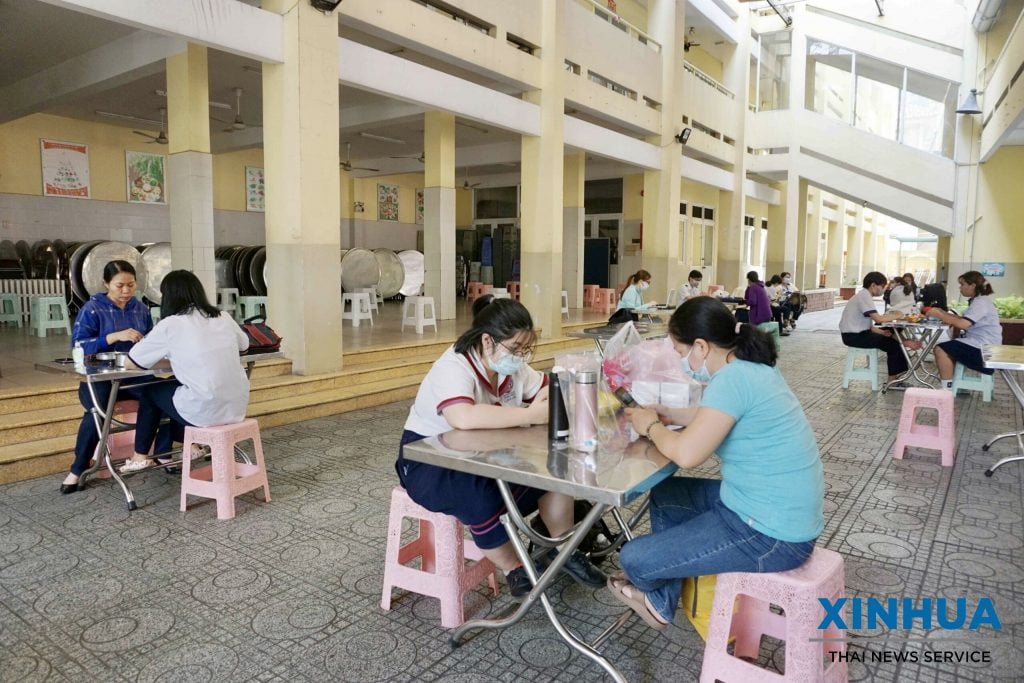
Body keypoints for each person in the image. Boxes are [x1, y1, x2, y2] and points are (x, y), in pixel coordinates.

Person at [608, 297, 823, 631]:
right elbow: (715, 415)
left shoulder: (732, 379)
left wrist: (650, 427)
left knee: (634, 559)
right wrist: (667, 414)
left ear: (701, 346)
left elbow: (687, 455)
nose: (682, 361)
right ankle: (661, 599)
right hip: (770, 510)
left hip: (770, 536)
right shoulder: (751, 369)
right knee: (668, 492)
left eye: (680, 352)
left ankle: (657, 589)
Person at [395, 295, 605, 598]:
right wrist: (529, 415)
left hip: (483, 455)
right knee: (479, 497)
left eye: (525, 349)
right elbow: (462, 416)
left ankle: (564, 549)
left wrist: (563, 388)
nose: (520, 356)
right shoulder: (454, 366)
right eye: (516, 348)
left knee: (554, 473)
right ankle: (515, 569)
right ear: (487, 340)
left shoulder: (511, 366)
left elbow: (547, 387)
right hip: (429, 461)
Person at [121, 270, 250, 472]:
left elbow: (131, 362)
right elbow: (244, 346)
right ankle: (185, 447)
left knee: (151, 390)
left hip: (206, 409)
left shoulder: (171, 324)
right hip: (237, 406)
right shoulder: (223, 317)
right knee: (173, 386)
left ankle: (140, 456)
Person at [60, 260, 153, 494]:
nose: (126, 291)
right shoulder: (92, 309)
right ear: (106, 284)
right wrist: (113, 337)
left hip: (132, 376)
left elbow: (152, 341)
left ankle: (155, 455)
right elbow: (79, 346)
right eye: (119, 285)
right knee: (96, 411)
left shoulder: (140, 309)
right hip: (99, 378)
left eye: (131, 285)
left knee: (160, 393)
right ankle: (78, 468)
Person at [926, 271, 1002, 390]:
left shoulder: (980, 302)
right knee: (950, 347)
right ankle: (956, 386)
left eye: (962, 284)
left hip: (984, 349)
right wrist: (943, 313)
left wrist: (940, 315)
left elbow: (964, 324)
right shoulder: (979, 300)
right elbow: (963, 319)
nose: (960, 287)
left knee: (940, 349)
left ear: (972, 285)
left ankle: (947, 389)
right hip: (982, 344)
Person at [839, 271, 912, 384]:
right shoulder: (864, 296)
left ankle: (906, 346)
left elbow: (868, 325)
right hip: (853, 337)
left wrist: (882, 332)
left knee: (890, 332)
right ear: (873, 285)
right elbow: (878, 319)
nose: (883, 289)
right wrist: (898, 315)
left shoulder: (864, 295)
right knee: (893, 345)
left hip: (858, 333)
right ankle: (893, 381)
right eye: (882, 286)